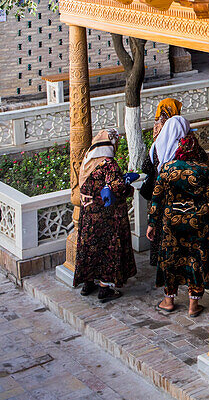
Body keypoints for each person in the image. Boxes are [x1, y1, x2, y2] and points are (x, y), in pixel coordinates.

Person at [147, 115, 209, 317]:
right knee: (195, 260)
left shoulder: (167, 169)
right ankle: (193, 306)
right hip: (197, 223)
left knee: (171, 259)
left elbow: (156, 198)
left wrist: (152, 224)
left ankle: (168, 300)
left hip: (172, 221)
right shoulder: (203, 170)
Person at [73, 129, 137, 303]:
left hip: (88, 215)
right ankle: (104, 287)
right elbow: (118, 188)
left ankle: (88, 283)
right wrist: (128, 185)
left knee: (90, 247)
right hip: (107, 216)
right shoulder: (109, 164)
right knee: (107, 249)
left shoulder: (89, 161)